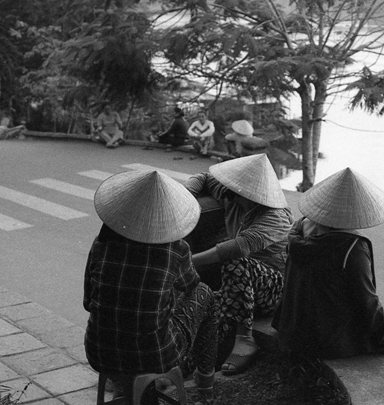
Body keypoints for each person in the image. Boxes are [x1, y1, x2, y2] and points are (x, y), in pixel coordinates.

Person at [83, 170, 220, 402]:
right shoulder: (175, 249)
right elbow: (191, 285)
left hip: (99, 351)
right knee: (205, 294)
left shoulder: (102, 244)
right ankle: (206, 381)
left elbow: (89, 302)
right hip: (153, 355)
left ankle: (124, 387)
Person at [272, 168, 384, 366]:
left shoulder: (301, 228)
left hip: (293, 327)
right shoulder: (351, 248)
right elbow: (366, 302)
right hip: (327, 339)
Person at [184, 153, 293, 375]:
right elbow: (203, 177)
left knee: (236, 262)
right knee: (202, 304)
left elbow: (236, 249)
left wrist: (186, 263)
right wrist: (185, 196)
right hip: (239, 288)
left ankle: (245, 337)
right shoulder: (231, 197)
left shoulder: (275, 216)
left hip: (272, 288)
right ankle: (190, 365)